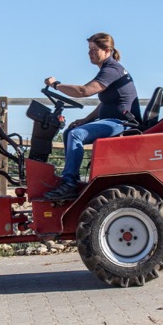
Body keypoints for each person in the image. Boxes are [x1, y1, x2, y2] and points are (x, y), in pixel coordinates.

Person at [42, 32, 140, 201]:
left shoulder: (112, 70)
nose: (89, 53)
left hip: (123, 123)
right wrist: (85, 120)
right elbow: (106, 104)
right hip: (111, 120)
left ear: (107, 51)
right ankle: (71, 179)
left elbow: (83, 91)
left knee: (76, 134)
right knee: (70, 131)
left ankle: (69, 183)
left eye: (94, 49)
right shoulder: (108, 70)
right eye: (89, 49)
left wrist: (56, 85)